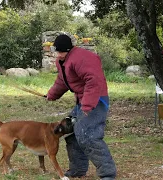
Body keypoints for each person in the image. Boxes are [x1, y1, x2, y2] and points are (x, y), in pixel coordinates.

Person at [46, 34, 116, 179]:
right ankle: (77, 170)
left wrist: (87, 106)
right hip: (82, 101)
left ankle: (107, 174)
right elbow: (62, 80)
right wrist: (52, 94)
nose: (58, 55)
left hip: (96, 100)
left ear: (68, 49)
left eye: (61, 52)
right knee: (70, 132)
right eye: (57, 52)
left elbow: (94, 81)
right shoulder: (62, 61)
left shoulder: (83, 58)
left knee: (87, 134)